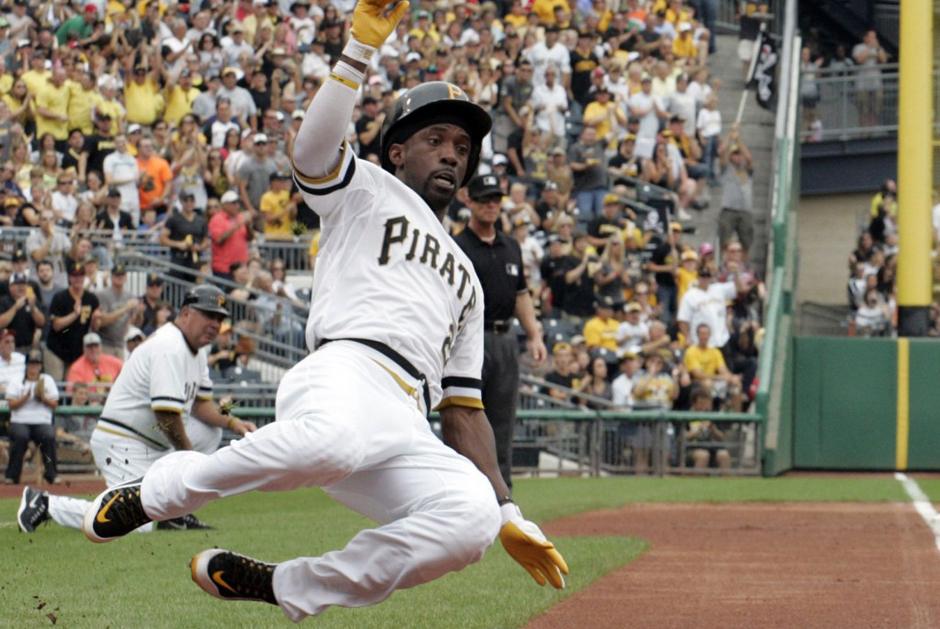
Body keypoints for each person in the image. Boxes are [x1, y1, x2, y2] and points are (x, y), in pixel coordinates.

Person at [80, 2, 567, 621]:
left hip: (405, 418)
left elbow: (466, 409)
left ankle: (292, 585)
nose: (451, 154)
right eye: (435, 139)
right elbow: (311, 152)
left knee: (467, 519)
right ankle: (156, 492)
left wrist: (507, 511)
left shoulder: (468, 274)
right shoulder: (365, 187)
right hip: (344, 371)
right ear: (395, 151)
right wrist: (359, 49)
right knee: (332, 443)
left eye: (463, 146)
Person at [16, 285, 256, 534]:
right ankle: (45, 503)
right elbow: (166, 415)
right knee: (135, 523)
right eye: (209, 315)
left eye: (219, 318)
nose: (215, 324)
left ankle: (174, 513)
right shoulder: (169, 345)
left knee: (210, 432)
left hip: (153, 443)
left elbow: (201, 404)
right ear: (185, 313)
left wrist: (231, 423)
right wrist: (186, 457)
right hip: (123, 442)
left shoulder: (196, 352)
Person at [454, 173, 547, 490]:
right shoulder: (456, 246)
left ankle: (501, 494)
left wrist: (534, 334)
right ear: (470, 202)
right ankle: (464, 490)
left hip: (505, 337)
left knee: (503, 421)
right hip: (469, 339)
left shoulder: (511, 247)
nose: (491, 205)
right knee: (465, 416)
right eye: (485, 199)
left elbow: (521, 294)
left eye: (496, 199)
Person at [4, 350, 58, 485]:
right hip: (20, 420)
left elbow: (54, 404)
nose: (34, 367)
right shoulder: (17, 381)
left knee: (49, 436)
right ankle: (12, 476)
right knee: (20, 436)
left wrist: (43, 398)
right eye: (31, 364)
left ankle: (51, 475)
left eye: (36, 364)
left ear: (40, 366)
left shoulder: (47, 380)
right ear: (26, 365)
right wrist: (26, 397)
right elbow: (11, 405)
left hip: (42, 420)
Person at [45, 261, 100, 380]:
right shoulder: (60, 297)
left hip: (77, 350)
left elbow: (95, 327)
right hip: (56, 348)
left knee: (73, 387)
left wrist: (96, 319)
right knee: (56, 386)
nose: (77, 279)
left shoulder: (91, 298)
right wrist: (75, 314)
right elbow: (56, 326)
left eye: (80, 275)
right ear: (69, 277)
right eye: (74, 276)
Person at [94, 263, 139, 358]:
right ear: (112, 277)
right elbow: (102, 322)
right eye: (117, 275)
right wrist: (125, 308)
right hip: (105, 344)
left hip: (120, 344)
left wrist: (139, 312)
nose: (119, 277)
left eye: (122, 275)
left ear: (126, 277)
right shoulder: (103, 295)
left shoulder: (130, 296)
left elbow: (134, 321)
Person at [65, 331, 124, 397]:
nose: (93, 349)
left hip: (112, 399)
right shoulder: (76, 368)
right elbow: (71, 392)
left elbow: (127, 373)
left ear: (101, 347)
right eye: (89, 346)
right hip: (88, 403)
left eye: (96, 346)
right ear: (84, 349)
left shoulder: (114, 362)